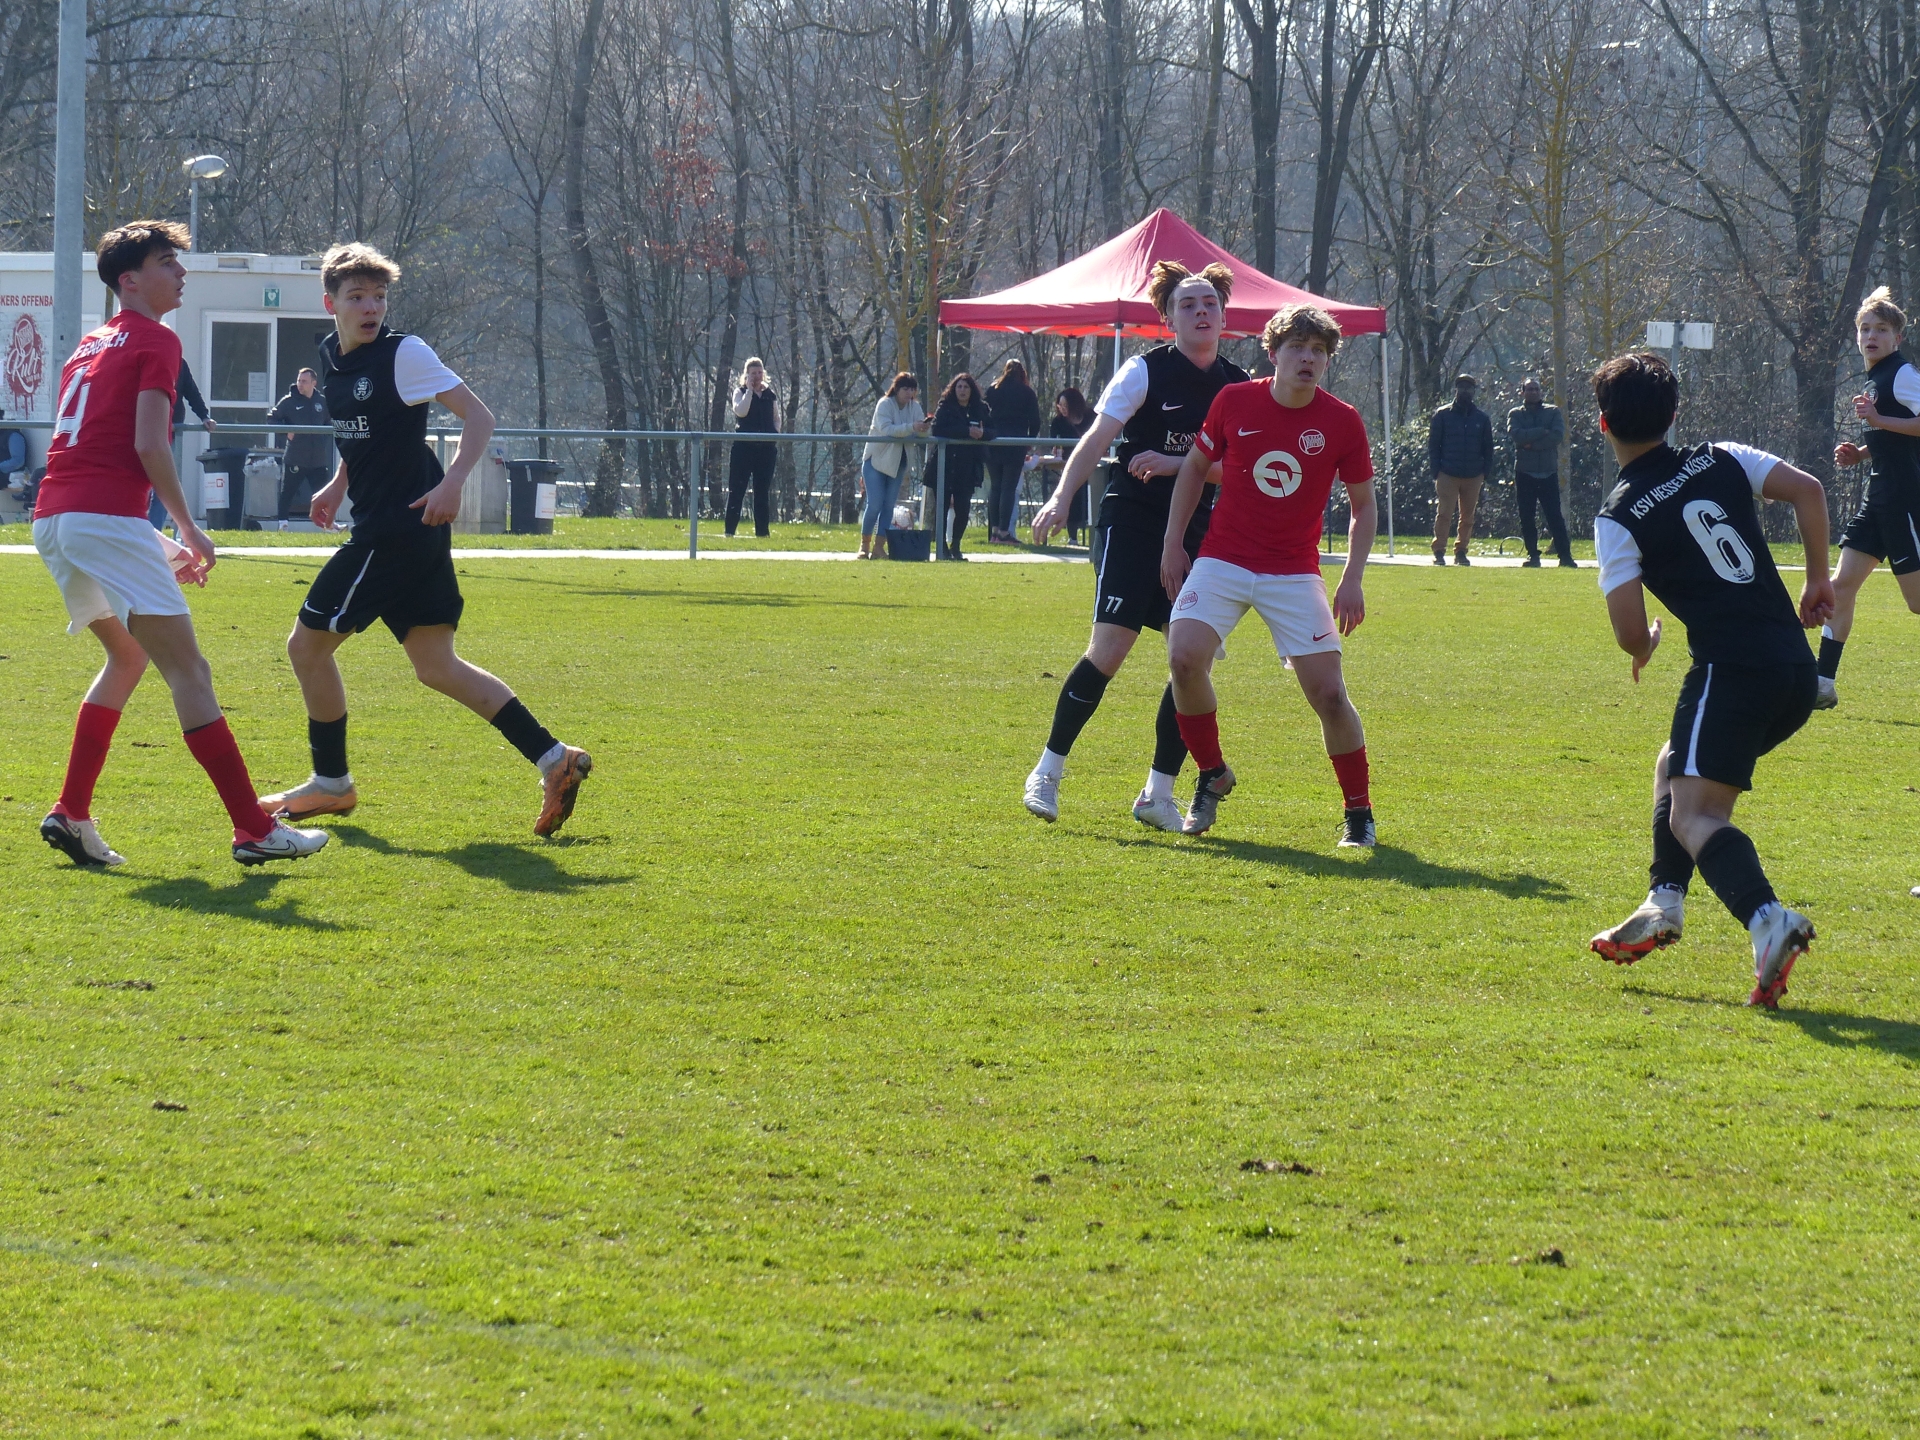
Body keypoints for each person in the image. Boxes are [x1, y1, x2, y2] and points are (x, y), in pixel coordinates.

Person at [259, 242, 591, 836]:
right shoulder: (331, 357)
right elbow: (365, 435)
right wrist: (338, 483)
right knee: (437, 666)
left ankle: (331, 783)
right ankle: (554, 758)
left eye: (379, 296)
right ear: (330, 303)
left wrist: (454, 482)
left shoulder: (404, 353)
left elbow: (479, 417)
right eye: (357, 297)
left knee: (305, 649)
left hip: (395, 531)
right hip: (406, 530)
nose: (370, 307)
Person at [31, 220, 328, 868]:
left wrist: (157, 545)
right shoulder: (157, 339)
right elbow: (147, 444)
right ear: (129, 280)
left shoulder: (91, 343)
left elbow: (94, 452)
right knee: (189, 672)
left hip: (56, 519)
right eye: (167, 261)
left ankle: (72, 812)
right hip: (101, 519)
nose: (181, 271)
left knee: (127, 658)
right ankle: (253, 828)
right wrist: (188, 529)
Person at [1584, 352, 1832, 1010]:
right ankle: (1663, 901)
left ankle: (1768, 919)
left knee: (1695, 813)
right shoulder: (1721, 456)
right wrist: (1818, 578)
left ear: (1602, 423)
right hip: (1794, 670)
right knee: (1674, 762)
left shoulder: (1618, 515)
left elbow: (1629, 634)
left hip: (1731, 670)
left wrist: (1648, 642)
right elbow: (1809, 489)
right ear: (1674, 415)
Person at [1023, 260, 1250, 830]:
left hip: (1194, 533)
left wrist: (1178, 463)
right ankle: (1047, 772)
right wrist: (1062, 497)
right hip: (1133, 520)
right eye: (1187, 304)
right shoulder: (1143, 371)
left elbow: (1240, 469)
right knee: (1110, 649)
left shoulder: (1239, 385)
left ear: (1224, 316)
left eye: (1210, 303)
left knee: (1189, 663)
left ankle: (1157, 794)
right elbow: (1095, 438)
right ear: (1169, 319)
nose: (1201, 312)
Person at [1158, 304, 1378, 844]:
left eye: (1318, 350)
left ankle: (1359, 814)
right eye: (1297, 347)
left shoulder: (1343, 420)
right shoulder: (1234, 401)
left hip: (1294, 571)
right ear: (1273, 352)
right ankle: (1211, 774)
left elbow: (1364, 505)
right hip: (1223, 559)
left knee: (1329, 694)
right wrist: (1173, 544)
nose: (1308, 358)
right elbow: (1194, 468)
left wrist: (1352, 578)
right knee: (1183, 658)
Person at [1817, 286, 1920, 710]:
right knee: (1839, 587)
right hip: (1877, 499)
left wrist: (1877, 419)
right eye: (1865, 328)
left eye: (1881, 329)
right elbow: (1895, 437)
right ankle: (1822, 684)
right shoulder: (1875, 378)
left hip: (1906, 500)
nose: (1871, 336)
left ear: (1897, 337)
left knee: (1917, 604)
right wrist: (1860, 453)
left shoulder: (1902, 374)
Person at [859, 372, 929, 559]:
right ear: (896, 389)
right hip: (875, 461)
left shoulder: (915, 407)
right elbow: (887, 429)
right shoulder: (884, 404)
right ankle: (864, 546)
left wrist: (924, 428)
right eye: (905, 389)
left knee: (888, 506)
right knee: (875, 504)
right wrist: (912, 427)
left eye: (912, 389)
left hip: (898, 463)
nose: (909, 393)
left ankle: (879, 548)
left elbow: (921, 433)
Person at [1507, 377, 1574, 567]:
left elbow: (1557, 436)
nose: (1533, 392)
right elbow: (1517, 435)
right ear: (1522, 393)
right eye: (1529, 389)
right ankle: (1533, 556)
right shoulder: (1516, 414)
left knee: (1554, 516)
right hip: (1524, 472)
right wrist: (1541, 431)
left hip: (1548, 471)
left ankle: (1565, 557)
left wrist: (1532, 445)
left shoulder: (1553, 412)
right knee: (1527, 516)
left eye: (1536, 389)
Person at [1428, 373, 1493, 564]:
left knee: (1468, 517)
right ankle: (1439, 551)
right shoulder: (1442, 415)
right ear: (1456, 390)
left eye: (1469, 388)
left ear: (1474, 391)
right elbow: (1434, 445)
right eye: (1462, 387)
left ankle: (1461, 551)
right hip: (1447, 472)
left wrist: (1485, 472)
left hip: (1473, 474)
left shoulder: (1482, 418)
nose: (1465, 391)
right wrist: (1436, 470)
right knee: (1444, 514)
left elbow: (1488, 448)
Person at [928, 372, 992, 559]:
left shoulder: (981, 408)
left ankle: (955, 545)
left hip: (968, 466)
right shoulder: (945, 407)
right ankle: (941, 547)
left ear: (972, 390)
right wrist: (966, 431)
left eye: (966, 387)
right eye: (959, 387)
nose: (962, 390)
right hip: (945, 465)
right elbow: (937, 429)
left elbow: (994, 430)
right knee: (941, 508)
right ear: (953, 389)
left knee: (963, 509)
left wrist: (982, 434)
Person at [984, 359, 1041, 543]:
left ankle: (994, 531)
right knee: (1008, 488)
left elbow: (984, 413)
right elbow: (1035, 420)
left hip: (994, 442)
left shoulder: (993, 389)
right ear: (1022, 373)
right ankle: (1003, 531)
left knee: (996, 486)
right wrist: (1030, 440)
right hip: (1016, 443)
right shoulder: (1027, 393)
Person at [266, 366, 334, 519]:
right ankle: (282, 525)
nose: (300, 384)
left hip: (317, 460)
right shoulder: (288, 401)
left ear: (313, 383)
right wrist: (286, 431)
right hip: (295, 458)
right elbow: (271, 419)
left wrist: (323, 438)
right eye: (299, 381)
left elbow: (329, 422)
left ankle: (328, 525)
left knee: (324, 495)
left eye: (304, 381)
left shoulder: (322, 402)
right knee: (287, 494)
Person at [725, 357, 779, 538]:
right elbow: (741, 411)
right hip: (743, 449)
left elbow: (776, 418)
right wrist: (749, 391)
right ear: (746, 375)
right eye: (753, 373)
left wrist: (775, 433)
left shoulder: (770, 395)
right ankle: (729, 532)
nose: (757, 376)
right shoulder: (739, 392)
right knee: (737, 491)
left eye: (759, 372)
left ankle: (762, 534)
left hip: (766, 450)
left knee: (762, 493)